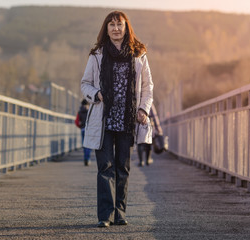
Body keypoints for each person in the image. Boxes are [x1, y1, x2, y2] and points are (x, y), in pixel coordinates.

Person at [81, 10, 153, 228]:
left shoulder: (139, 55)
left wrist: (143, 109)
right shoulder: (97, 54)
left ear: (126, 27)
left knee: (123, 167)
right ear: (106, 28)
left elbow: (147, 87)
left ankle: (120, 213)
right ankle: (105, 216)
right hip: (103, 120)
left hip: (126, 119)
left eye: (119, 24)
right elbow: (85, 84)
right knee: (105, 168)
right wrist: (96, 94)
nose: (115, 28)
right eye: (111, 25)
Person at [76, 99, 92, 166]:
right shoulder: (90, 111)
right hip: (89, 130)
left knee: (84, 145)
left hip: (83, 129)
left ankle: (86, 158)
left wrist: (80, 126)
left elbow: (76, 122)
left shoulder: (79, 112)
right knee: (89, 145)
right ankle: (87, 158)